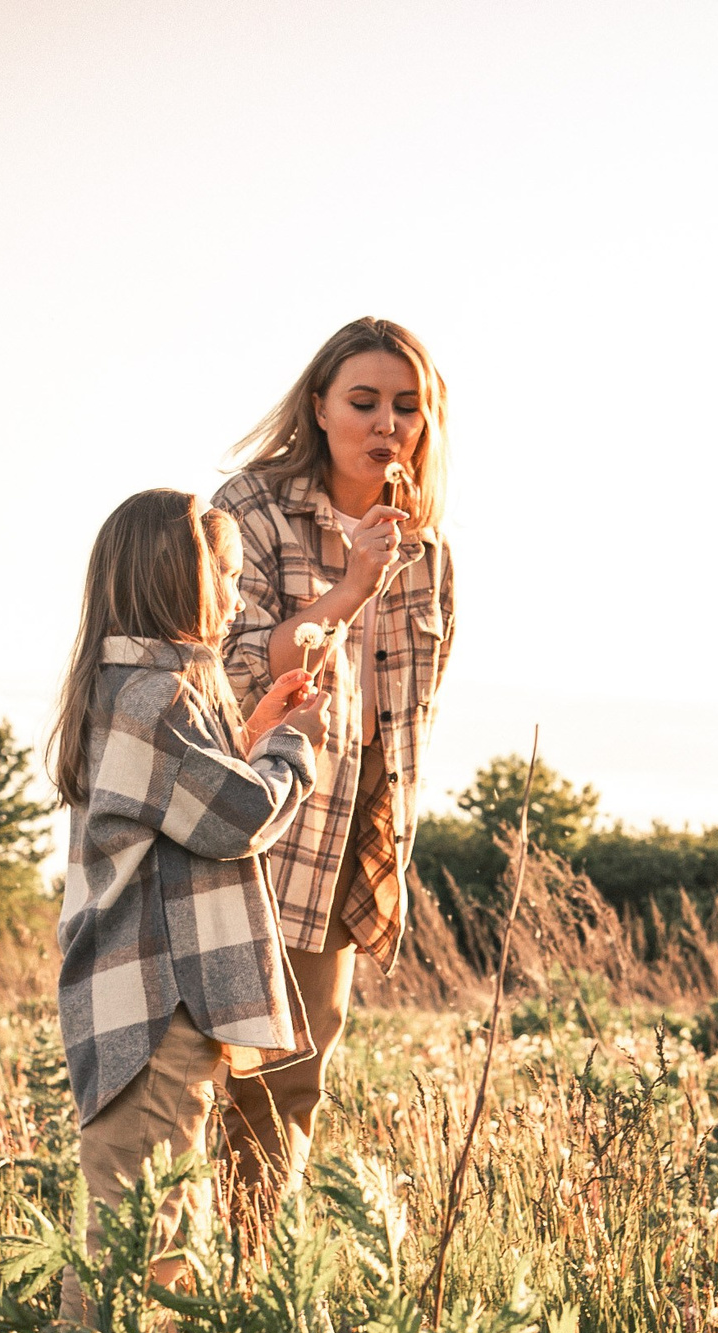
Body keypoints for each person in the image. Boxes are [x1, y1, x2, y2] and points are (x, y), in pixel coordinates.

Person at [48, 488, 328, 1304]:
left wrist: (252, 732)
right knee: (144, 1232)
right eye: (228, 576)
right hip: (156, 1006)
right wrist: (290, 747)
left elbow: (183, 807)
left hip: (148, 1005)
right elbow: (238, 816)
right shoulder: (155, 699)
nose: (239, 598)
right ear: (180, 579)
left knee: (156, 1220)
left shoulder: (138, 691)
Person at [210, 319, 457, 1231]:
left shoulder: (428, 550)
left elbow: (410, 717)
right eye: (364, 401)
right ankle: (164, 1266)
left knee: (294, 1076)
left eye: (407, 406)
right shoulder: (249, 510)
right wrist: (349, 589)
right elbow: (234, 670)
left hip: (347, 834)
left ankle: (252, 1269)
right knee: (205, 1071)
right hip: (242, 825)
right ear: (319, 407)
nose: (387, 423)